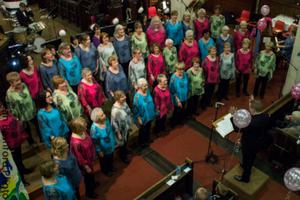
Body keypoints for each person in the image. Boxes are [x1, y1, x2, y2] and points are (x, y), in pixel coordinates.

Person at [231, 98, 270, 183]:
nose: (249, 109)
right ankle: (245, 165)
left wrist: (233, 116)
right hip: (259, 141)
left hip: (250, 144)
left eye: (250, 108)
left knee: (248, 159)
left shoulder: (252, 123)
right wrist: (252, 101)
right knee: (251, 158)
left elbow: (238, 129)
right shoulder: (265, 115)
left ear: (253, 109)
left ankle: (245, 178)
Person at [6, 72, 39, 144]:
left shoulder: (24, 85)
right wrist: (17, 118)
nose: (19, 82)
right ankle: (31, 142)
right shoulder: (10, 93)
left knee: (37, 125)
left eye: (19, 80)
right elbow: (11, 107)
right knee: (27, 130)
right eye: (17, 81)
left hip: (31, 110)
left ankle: (41, 139)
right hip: (22, 115)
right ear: (11, 83)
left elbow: (29, 97)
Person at [0, 103, 29, 185]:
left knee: (20, 158)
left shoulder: (8, 113)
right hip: (10, 145)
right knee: (17, 162)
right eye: (0, 108)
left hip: (17, 141)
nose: (2, 108)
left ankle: (23, 170)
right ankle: (22, 180)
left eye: (2, 106)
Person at [69, 117, 97, 198]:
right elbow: (79, 157)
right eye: (84, 126)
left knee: (91, 175)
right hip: (84, 164)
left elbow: (90, 143)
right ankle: (90, 192)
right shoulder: (76, 142)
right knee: (88, 178)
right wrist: (86, 166)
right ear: (78, 129)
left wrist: (93, 154)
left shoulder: (83, 132)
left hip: (90, 159)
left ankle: (93, 184)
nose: (86, 127)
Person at [90, 108, 117, 176]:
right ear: (97, 118)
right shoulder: (94, 128)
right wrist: (99, 151)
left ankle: (111, 167)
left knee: (111, 157)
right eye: (102, 115)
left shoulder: (106, 120)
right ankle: (106, 171)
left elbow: (110, 130)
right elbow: (95, 141)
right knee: (104, 161)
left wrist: (114, 140)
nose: (104, 116)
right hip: (103, 149)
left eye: (103, 114)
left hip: (110, 145)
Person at [133, 78, 156, 147]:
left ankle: (147, 138)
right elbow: (135, 109)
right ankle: (142, 142)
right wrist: (138, 118)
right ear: (140, 87)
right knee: (143, 130)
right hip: (143, 116)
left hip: (150, 114)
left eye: (146, 85)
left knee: (148, 127)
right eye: (144, 86)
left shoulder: (147, 91)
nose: (146, 87)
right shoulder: (137, 97)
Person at [111, 90, 132, 163]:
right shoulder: (115, 110)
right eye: (122, 97)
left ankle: (126, 150)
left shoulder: (124, 103)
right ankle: (123, 156)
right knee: (121, 144)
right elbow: (114, 123)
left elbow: (128, 112)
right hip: (120, 130)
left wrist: (129, 125)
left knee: (126, 140)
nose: (125, 97)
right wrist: (118, 133)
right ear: (117, 99)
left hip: (126, 127)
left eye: (124, 96)